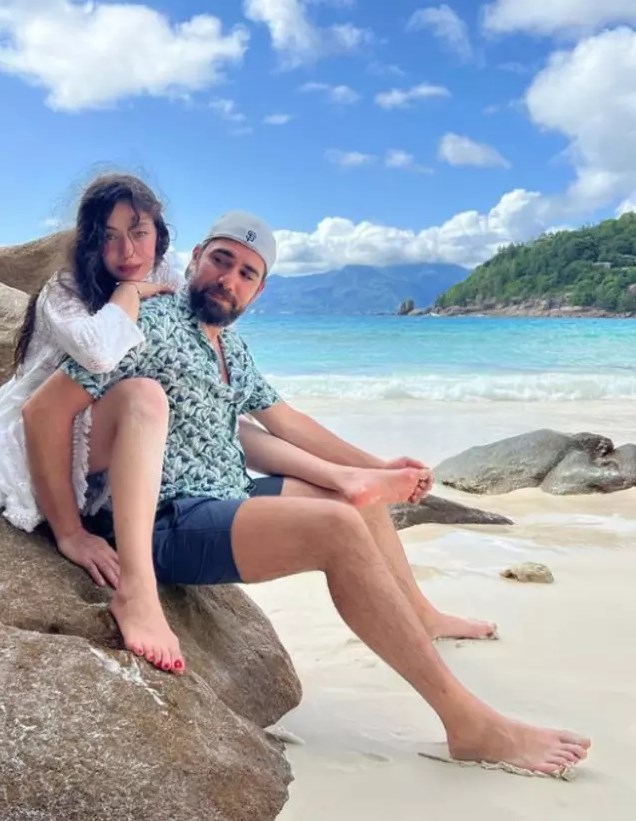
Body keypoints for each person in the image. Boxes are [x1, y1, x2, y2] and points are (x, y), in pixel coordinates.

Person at [21, 212, 589, 774]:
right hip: (165, 519)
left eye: (246, 273)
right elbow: (50, 409)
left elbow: (286, 421)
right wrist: (69, 529)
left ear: (259, 290)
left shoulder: (229, 348)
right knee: (337, 529)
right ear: (195, 259)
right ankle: (468, 722)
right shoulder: (146, 321)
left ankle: (421, 614)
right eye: (221, 261)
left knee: (358, 501)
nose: (228, 279)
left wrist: (373, 466)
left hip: (227, 494)